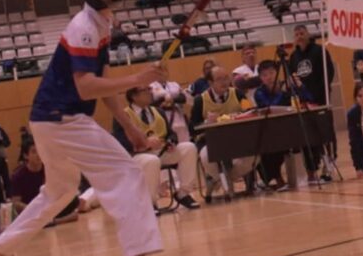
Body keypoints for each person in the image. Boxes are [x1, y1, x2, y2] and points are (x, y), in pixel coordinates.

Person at [0, 0, 181, 256]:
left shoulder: (102, 23)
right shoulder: (84, 28)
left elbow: (103, 82)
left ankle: (4, 247)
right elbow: (87, 87)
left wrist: (130, 127)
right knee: (127, 173)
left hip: (49, 119)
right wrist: (138, 78)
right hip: (62, 118)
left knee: (60, 190)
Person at [116, 86, 201, 210]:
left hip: (161, 151)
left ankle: (183, 193)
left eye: (150, 90)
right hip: (137, 155)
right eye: (146, 90)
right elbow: (120, 141)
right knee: (152, 161)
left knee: (188, 147)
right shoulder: (123, 115)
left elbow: (171, 133)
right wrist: (145, 143)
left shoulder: (158, 111)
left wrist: (171, 141)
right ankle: (150, 202)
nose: (150, 93)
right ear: (134, 96)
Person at [253, 59, 319, 187]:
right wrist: (282, 93)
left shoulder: (289, 85)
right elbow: (269, 106)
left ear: (277, 73)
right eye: (264, 75)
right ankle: (278, 179)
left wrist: (300, 86)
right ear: (260, 78)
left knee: (311, 136)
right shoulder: (259, 93)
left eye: (271, 73)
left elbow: (309, 99)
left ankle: (311, 173)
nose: (269, 77)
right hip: (273, 131)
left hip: (294, 128)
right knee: (266, 147)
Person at [191, 66, 254, 194]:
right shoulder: (200, 100)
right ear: (210, 83)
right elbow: (192, 128)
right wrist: (206, 122)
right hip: (210, 141)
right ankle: (221, 178)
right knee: (206, 156)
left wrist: (239, 116)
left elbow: (251, 112)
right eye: (219, 79)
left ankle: (221, 179)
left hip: (237, 138)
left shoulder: (238, 94)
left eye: (226, 78)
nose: (224, 82)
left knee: (252, 153)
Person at [10, 139, 79, 223]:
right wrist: (31, 209)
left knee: (73, 200)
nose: (38, 154)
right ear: (25, 155)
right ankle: (52, 221)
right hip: (31, 209)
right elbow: (16, 202)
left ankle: (52, 221)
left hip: (49, 207)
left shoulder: (49, 170)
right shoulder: (18, 176)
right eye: (34, 152)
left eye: (40, 150)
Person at [288, 25, 335, 106]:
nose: (299, 37)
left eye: (302, 33)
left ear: (308, 35)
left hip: (321, 96)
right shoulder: (293, 56)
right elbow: (292, 76)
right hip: (303, 98)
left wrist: (322, 89)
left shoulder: (319, 50)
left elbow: (329, 71)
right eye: (297, 35)